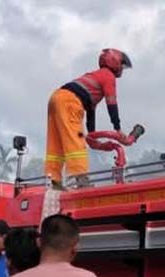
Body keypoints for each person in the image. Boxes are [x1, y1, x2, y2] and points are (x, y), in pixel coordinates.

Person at [45, 48, 132, 188]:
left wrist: (92, 135)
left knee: (56, 143)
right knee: (76, 140)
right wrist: (118, 128)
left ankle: (53, 180)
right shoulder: (108, 76)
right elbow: (112, 102)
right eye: (122, 65)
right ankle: (80, 180)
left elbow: (91, 110)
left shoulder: (94, 77)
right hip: (70, 102)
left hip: (56, 97)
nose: (122, 69)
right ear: (115, 61)